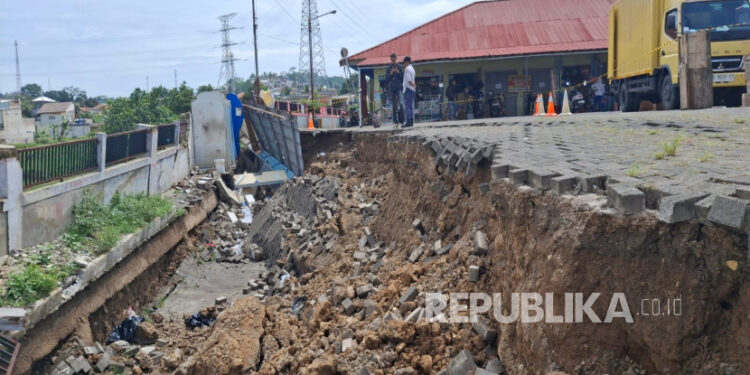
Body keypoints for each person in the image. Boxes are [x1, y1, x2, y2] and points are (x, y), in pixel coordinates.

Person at [385, 53, 404, 127]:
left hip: (398, 88)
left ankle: (402, 120)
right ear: (390, 59)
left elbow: (402, 78)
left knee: (401, 104)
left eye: (394, 58)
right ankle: (395, 121)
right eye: (392, 58)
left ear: (396, 58)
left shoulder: (399, 66)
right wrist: (391, 73)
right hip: (391, 88)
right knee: (394, 105)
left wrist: (398, 72)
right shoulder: (388, 68)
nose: (393, 59)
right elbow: (386, 80)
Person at [402, 56, 416, 127]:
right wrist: (414, 86)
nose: (404, 64)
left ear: (406, 62)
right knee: (410, 106)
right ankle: (411, 121)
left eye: (404, 63)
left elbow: (409, 80)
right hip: (412, 90)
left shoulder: (407, 69)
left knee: (407, 106)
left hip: (408, 89)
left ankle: (408, 121)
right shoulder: (412, 69)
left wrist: (412, 85)